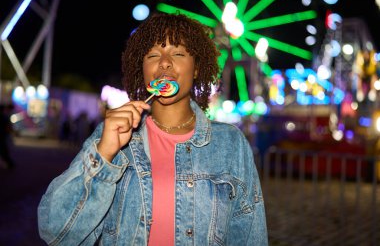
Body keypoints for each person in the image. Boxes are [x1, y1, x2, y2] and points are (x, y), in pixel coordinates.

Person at [38, 13, 268, 245]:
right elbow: (55, 232)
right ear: (143, 70)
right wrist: (104, 154)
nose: (165, 62)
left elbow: (249, 235)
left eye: (178, 53)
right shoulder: (111, 136)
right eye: (153, 55)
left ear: (197, 68)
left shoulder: (231, 144)